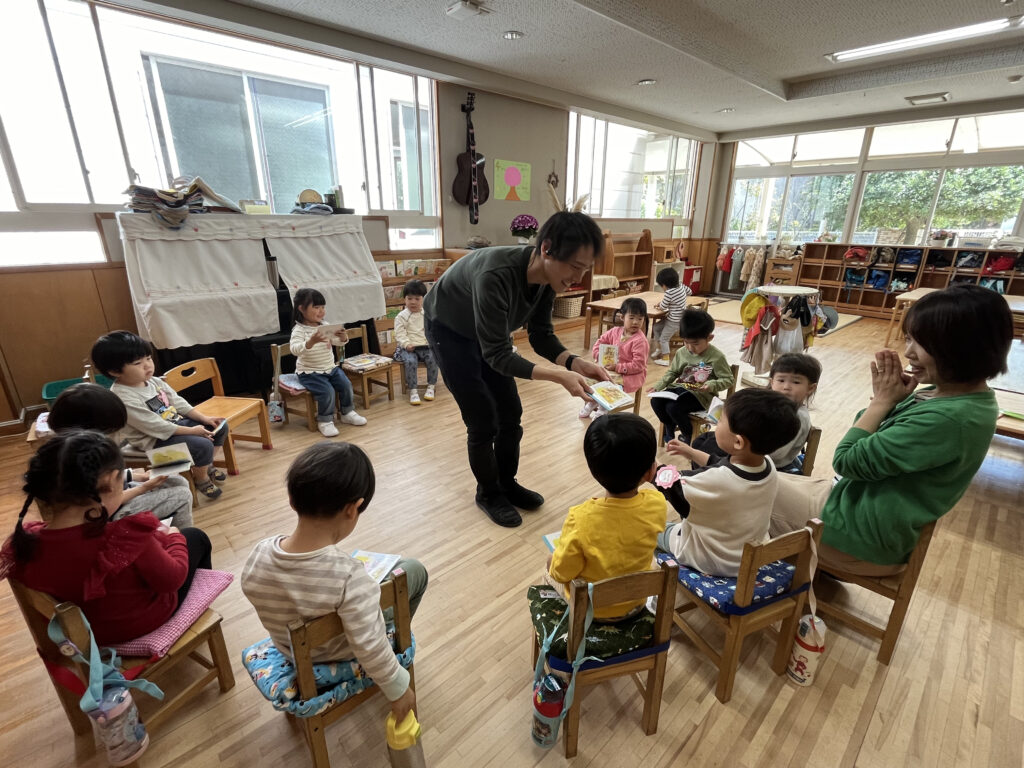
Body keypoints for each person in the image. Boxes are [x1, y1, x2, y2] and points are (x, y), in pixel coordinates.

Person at [770, 283, 1014, 577]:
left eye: (921, 343)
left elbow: (847, 461)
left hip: (858, 537)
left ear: (963, 348)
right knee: (748, 474)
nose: (908, 352)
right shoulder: (943, 394)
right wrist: (883, 402)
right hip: (851, 503)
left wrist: (882, 402)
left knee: (737, 489)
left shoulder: (953, 418)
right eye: (909, 338)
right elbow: (871, 430)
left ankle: (758, 583)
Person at [423, 211, 611, 527]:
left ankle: (506, 483)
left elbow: (540, 334)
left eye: (585, 269)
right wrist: (558, 375)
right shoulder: (495, 274)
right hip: (449, 330)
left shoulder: (549, 279)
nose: (578, 277)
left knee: (510, 412)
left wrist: (574, 362)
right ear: (547, 249)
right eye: (575, 266)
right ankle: (488, 493)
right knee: (482, 420)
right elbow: (498, 355)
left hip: (487, 334)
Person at [241, 442, 427, 725]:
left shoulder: (259, 554)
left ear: (292, 499)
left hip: (290, 648)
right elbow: (369, 645)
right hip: (342, 654)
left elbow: (258, 588)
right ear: (353, 509)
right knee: (414, 571)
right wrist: (397, 688)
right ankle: (396, 641)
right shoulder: (348, 577)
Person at [1, 430, 213, 645]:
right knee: (195, 537)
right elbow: (172, 580)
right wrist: (175, 538)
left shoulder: (22, 543)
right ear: (111, 481)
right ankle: (198, 612)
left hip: (80, 635)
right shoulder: (123, 537)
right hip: (138, 624)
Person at [654, 389, 801, 576]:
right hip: (749, 555)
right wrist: (691, 452)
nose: (717, 423)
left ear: (738, 442)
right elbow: (719, 464)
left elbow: (673, 487)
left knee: (649, 527)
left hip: (711, 559)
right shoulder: (767, 466)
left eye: (721, 420)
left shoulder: (717, 480)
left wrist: (652, 463)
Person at [546, 414, 664, 619]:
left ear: (593, 470)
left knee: (549, 568)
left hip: (592, 611)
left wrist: (552, 560)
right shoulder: (657, 503)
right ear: (650, 472)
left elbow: (561, 573)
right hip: (636, 604)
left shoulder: (580, 518)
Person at [92, 331, 229, 501]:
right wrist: (192, 431)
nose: (148, 366)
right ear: (114, 371)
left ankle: (205, 465)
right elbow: (156, 426)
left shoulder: (154, 381)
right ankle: (201, 478)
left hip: (175, 426)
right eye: (138, 363)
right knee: (202, 445)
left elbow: (178, 402)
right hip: (154, 440)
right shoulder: (122, 397)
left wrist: (204, 419)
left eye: (148, 358)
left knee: (220, 426)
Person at [48, 382, 193, 527]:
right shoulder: (79, 460)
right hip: (111, 512)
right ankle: (178, 537)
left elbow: (108, 479)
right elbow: (105, 502)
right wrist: (143, 487)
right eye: (112, 432)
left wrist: (137, 476)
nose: (117, 436)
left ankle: (161, 530)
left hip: (118, 493)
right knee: (182, 496)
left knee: (178, 482)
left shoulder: (81, 449)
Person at [678, 353, 821, 474]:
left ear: (810, 388)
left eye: (796, 382)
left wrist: (740, 445)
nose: (786, 387)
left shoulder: (798, 417)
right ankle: (706, 475)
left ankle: (709, 480)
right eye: (781, 380)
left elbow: (775, 455)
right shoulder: (772, 404)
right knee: (703, 439)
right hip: (748, 447)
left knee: (707, 445)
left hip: (761, 462)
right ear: (772, 382)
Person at [649, 308, 735, 445]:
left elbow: (728, 380)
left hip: (702, 396)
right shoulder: (682, 352)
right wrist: (658, 386)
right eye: (686, 342)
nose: (689, 347)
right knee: (656, 401)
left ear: (709, 338)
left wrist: (711, 385)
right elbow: (673, 372)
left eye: (695, 344)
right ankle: (669, 425)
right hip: (680, 389)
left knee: (673, 408)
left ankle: (688, 435)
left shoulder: (717, 357)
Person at [289, 288, 368, 437]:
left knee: (346, 384)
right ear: (301, 309)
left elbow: (337, 342)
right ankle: (325, 420)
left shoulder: (325, 324)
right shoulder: (299, 330)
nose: (321, 311)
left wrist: (343, 337)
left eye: (323, 307)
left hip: (330, 367)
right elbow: (294, 349)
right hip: (310, 372)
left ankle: (347, 412)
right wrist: (310, 342)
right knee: (327, 391)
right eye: (316, 307)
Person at [579, 297, 650, 419]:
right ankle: (593, 402)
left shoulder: (640, 341)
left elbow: (638, 365)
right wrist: (599, 356)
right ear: (622, 317)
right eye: (631, 318)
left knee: (611, 388)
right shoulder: (615, 331)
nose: (635, 322)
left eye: (640, 319)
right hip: (610, 370)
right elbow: (598, 344)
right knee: (592, 380)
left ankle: (602, 410)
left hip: (631, 375)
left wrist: (617, 367)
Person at [393, 279, 439, 406]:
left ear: (423, 299)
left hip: (425, 346)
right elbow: (399, 334)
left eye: (417, 299)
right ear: (404, 299)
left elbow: (432, 330)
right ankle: (413, 390)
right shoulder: (401, 317)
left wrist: (431, 342)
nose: (413, 302)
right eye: (409, 298)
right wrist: (406, 344)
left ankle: (431, 386)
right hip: (408, 348)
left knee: (434, 358)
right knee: (410, 361)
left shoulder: (427, 314)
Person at [651, 267, 692, 365]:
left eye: (662, 286)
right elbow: (690, 292)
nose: (662, 288)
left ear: (665, 285)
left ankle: (665, 359)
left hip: (674, 321)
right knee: (656, 327)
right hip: (677, 318)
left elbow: (663, 306)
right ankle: (659, 348)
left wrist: (659, 305)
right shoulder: (681, 286)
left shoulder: (669, 293)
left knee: (664, 339)